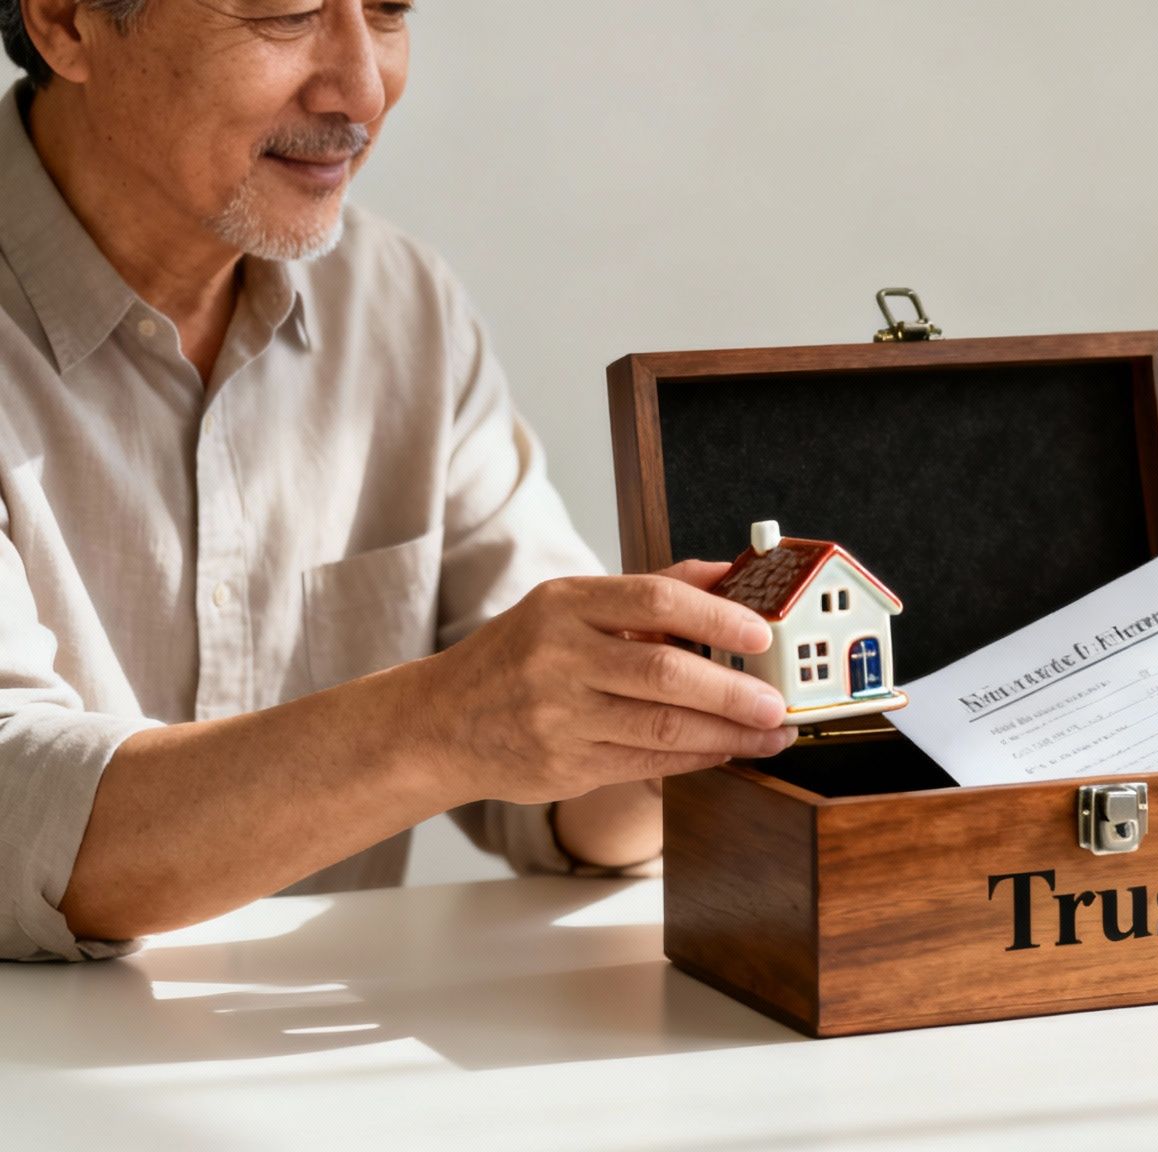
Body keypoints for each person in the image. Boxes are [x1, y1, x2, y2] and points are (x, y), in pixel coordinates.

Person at [0, 0, 796, 962]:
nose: (364, 89)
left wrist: (674, 725)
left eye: (388, 10)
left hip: (342, 1090)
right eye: (286, 14)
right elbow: (17, 814)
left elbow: (548, 795)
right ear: (64, 22)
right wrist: (447, 718)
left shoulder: (403, 309)